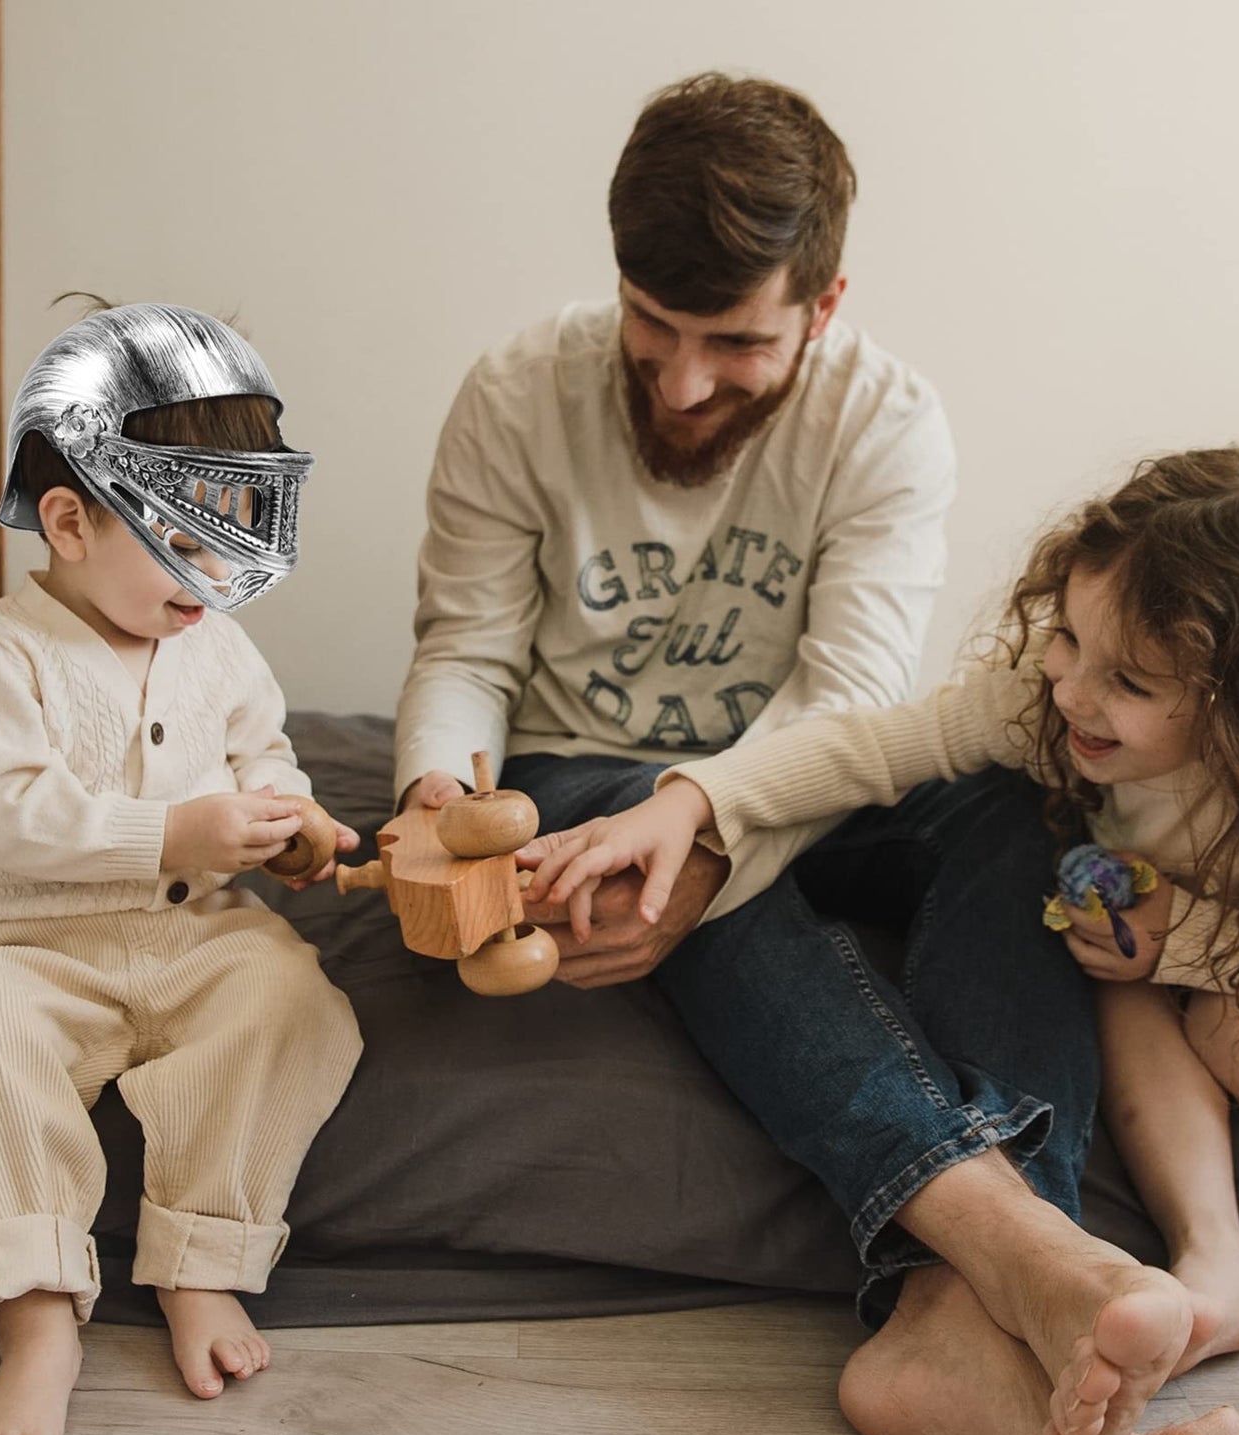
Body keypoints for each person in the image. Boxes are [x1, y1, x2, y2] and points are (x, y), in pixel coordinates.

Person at [521, 445, 1239, 1435]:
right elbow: (869, 747)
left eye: (1125, 678)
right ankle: (987, 1298)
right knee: (1041, 854)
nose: (1072, 693)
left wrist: (1190, 935)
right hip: (1142, 943)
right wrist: (696, 797)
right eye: (1067, 639)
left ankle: (991, 1311)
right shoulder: (1040, 708)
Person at [0, 303, 364, 1435]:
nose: (214, 577)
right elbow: (7, 818)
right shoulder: (2, 653)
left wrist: (291, 813)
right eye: (185, 542)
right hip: (35, 942)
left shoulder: (215, 637)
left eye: (237, 536)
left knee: (293, 1004)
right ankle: (35, 1316)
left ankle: (201, 1256)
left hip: (198, 932)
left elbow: (264, 745)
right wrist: (170, 832)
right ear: (67, 520)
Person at [395, 70, 957, 987]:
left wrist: (712, 838)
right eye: (652, 322)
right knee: (629, 843)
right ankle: (935, 1140)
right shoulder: (513, 392)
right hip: (583, 766)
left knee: (1017, 818)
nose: (683, 386)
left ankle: (1025, 1137)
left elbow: (850, 695)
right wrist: (440, 796)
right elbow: (466, 650)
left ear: (822, 307)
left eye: (737, 343)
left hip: (800, 765)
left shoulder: (886, 423)